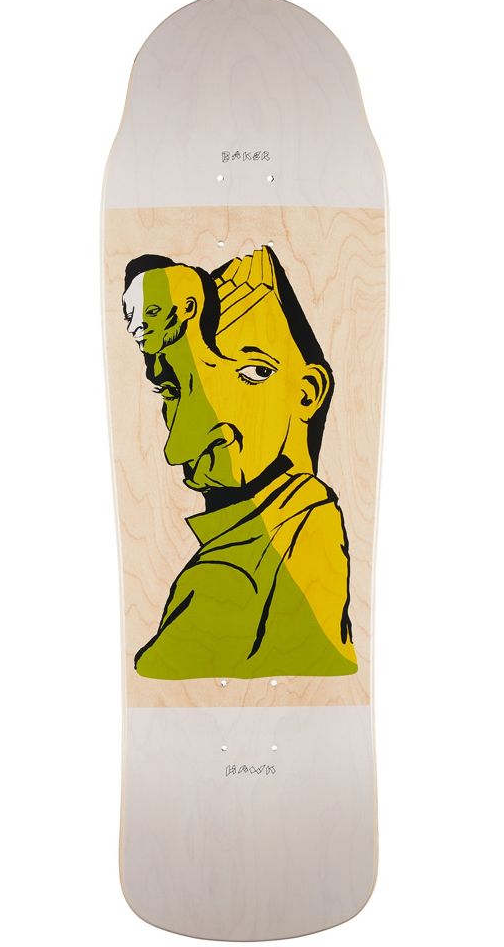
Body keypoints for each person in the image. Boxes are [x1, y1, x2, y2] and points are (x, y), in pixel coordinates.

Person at [122, 246, 358, 679]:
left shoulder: (228, 580)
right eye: (173, 391)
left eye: (252, 374)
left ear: (307, 393)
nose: (178, 448)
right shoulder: (300, 532)